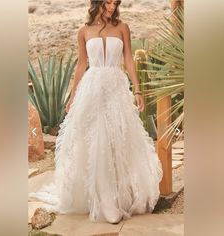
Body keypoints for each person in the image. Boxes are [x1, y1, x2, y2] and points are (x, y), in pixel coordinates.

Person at [29, 0, 163, 224]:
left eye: (115, 3)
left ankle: (121, 196)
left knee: (117, 141)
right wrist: (72, 97)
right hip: (91, 89)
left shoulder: (122, 27)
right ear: (98, 2)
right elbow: (82, 65)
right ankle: (105, 201)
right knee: (94, 142)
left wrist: (137, 89)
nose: (112, 7)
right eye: (108, 2)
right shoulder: (83, 31)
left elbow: (128, 59)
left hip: (116, 88)